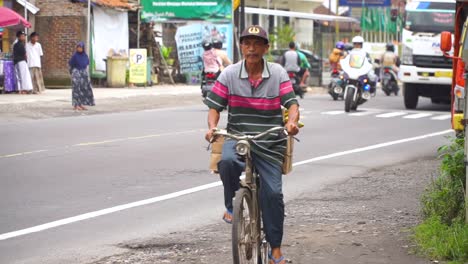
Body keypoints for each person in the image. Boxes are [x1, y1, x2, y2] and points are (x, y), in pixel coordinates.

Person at [204, 25, 300, 264]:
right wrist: (212, 128)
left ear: (265, 48)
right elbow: (215, 107)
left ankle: (275, 250)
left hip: (269, 141)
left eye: (257, 43)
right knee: (225, 162)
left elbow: (292, 104)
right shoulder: (229, 74)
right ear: (241, 47)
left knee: (274, 195)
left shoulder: (277, 73)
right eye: (247, 43)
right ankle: (230, 204)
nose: (252, 48)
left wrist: (292, 123)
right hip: (239, 138)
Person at [69, 41, 94, 111]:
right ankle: (75, 105)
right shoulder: (75, 56)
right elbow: (71, 64)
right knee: (76, 89)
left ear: (83, 48)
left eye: (80, 47)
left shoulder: (85, 56)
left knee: (83, 89)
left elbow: (86, 64)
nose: (79, 49)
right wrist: (72, 73)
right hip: (76, 73)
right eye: (78, 47)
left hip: (83, 74)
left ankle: (81, 104)